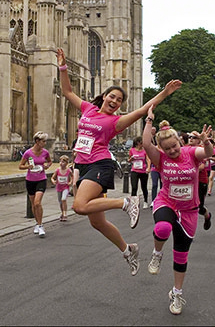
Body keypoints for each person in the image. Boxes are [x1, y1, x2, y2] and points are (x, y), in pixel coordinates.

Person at [55, 46, 181, 273]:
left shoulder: (115, 122)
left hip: (99, 164)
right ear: (104, 97)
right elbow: (67, 91)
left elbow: (143, 110)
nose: (115, 101)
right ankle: (128, 250)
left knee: (79, 206)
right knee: (97, 222)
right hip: (82, 166)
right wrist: (62, 66)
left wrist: (164, 93)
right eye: (112, 96)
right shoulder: (88, 109)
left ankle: (126, 202)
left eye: (119, 100)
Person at [141, 116, 213, 315]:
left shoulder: (191, 153)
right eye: (168, 149)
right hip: (167, 202)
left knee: (181, 256)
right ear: (162, 149)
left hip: (189, 210)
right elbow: (146, 143)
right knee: (162, 228)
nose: (172, 151)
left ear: (179, 142)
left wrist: (206, 141)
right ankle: (157, 254)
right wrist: (148, 121)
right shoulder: (160, 159)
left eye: (174, 146)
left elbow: (209, 153)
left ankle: (176, 293)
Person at [19, 132, 52, 237]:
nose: (45, 143)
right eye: (43, 141)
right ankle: (37, 224)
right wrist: (28, 167)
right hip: (30, 180)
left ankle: (41, 225)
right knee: (33, 204)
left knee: (38, 203)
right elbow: (20, 166)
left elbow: (50, 162)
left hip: (41, 179)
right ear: (37, 141)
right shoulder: (28, 153)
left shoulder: (45, 152)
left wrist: (47, 166)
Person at [128, 136, 152, 206]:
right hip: (134, 170)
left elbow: (148, 159)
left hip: (143, 171)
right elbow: (129, 160)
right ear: (138, 143)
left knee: (144, 187)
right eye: (142, 142)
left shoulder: (144, 150)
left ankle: (145, 201)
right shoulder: (132, 150)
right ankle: (133, 203)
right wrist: (131, 159)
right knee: (134, 187)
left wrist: (148, 167)